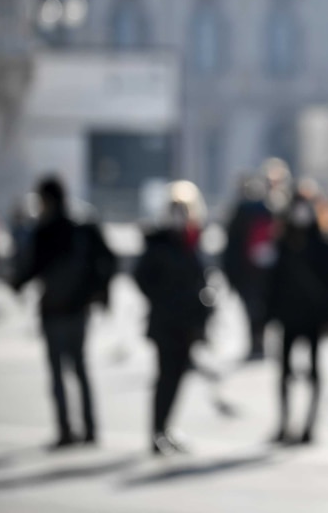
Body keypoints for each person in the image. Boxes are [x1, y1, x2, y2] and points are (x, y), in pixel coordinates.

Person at [10, 175, 116, 450]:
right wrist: (100, 292)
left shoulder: (46, 230)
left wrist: (14, 284)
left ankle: (65, 430)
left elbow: (31, 268)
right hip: (78, 309)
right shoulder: (83, 226)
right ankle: (90, 429)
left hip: (55, 310)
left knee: (58, 373)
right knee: (80, 369)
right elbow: (109, 260)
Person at [132, 180, 214, 455]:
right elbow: (142, 278)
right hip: (166, 322)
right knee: (165, 377)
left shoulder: (193, 240)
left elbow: (200, 278)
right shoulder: (160, 242)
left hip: (188, 322)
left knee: (178, 377)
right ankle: (156, 431)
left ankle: (165, 428)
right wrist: (164, 297)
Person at [265, 178, 328, 444]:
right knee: (284, 371)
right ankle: (284, 423)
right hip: (288, 314)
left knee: (314, 371)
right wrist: (267, 314)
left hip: (314, 316)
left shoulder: (326, 243)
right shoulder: (284, 241)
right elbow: (273, 280)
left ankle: (309, 425)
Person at [221, 158, 292, 360]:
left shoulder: (286, 209)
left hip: (273, 273)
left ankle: (263, 344)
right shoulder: (249, 209)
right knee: (254, 310)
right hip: (250, 272)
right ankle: (256, 343)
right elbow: (235, 243)